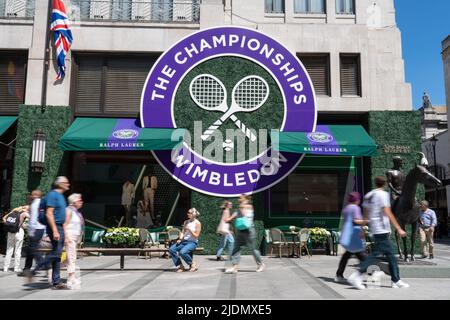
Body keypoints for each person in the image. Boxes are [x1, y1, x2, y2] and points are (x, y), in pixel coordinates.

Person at [348, 176, 409, 290]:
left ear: (375, 183)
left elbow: (365, 215)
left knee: (390, 256)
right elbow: (387, 212)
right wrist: (398, 228)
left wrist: (362, 229)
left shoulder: (368, 196)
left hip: (375, 229)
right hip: (382, 229)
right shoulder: (383, 195)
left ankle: (396, 280)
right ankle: (357, 274)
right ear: (385, 184)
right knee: (376, 255)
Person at [29, 176, 70, 289]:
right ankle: (35, 270)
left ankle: (56, 281)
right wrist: (55, 230)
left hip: (59, 227)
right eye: (66, 182)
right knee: (56, 254)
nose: (68, 184)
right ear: (59, 184)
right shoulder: (53, 195)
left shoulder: (61, 196)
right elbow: (49, 213)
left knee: (57, 255)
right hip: (55, 227)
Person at [225, 195, 265, 273]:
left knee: (253, 249)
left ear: (245, 199)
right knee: (236, 248)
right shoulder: (241, 206)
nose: (238, 199)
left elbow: (244, 214)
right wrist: (229, 218)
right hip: (240, 229)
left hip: (249, 230)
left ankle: (260, 264)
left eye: (240, 198)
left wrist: (242, 206)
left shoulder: (249, 206)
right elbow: (237, 213)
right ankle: (234, 266)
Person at [335, 192, 367, 283]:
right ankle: (372, 272)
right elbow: (356, 220)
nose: (359, 201)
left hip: (348, 235)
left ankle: (339, 275)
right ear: (356, 200)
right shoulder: (355, 208)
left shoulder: (346, 208)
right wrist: (365, 221)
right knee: (362, 256)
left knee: (346, 256)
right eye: (358, 199)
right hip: (355, 235)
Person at [169, 208, 201, 272]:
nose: (187, 214)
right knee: (172, 249)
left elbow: (197, 235)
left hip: (192, 242)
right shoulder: (186, 222)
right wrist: (180, 239)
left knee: (182, 252)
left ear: (193, 214)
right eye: (188, 212)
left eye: (189, 213)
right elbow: (183, 232)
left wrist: (190, 230)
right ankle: (180, 266)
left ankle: (192, 264)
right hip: (184, 241)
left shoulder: (197, 223)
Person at [21, 190, 46, 274]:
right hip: (40, 229)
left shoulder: (35, 204)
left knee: (32, 249)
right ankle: (26, 269)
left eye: (32, 194)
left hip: (35, 229)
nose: (31, 196)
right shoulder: (42, 203)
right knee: (30, 249)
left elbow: (33, 219)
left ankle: (43, 263)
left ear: (36, 195)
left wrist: (31, 231)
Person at [64, 193, 85, 289]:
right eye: (79, 200)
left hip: (75, 237)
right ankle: (71, 278)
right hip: (70, 237)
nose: (81, 202)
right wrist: (66, 237)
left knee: (70, 257)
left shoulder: (75, 211)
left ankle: (51, 270)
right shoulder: (69, 210)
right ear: (73, 202)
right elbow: (65, 224)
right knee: (71, 257)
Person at [3, 205, 29, 272]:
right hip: (19, 232)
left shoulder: (13, 212)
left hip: (10, 232)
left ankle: (5, 267)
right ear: (26, 209)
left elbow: (4, 218)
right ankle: (16, 268)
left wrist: (10, 225)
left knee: (9, 250)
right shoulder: (25, 214)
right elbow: (27, 225)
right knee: (18, 250)